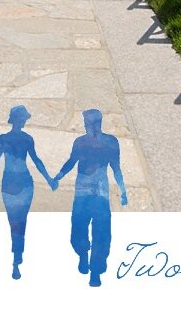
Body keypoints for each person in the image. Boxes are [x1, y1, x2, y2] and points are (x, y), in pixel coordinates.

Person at [51, 109, 126, 287]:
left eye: (86, 123)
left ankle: (95, 271)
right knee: (80, 230)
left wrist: (122, 190)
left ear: (95, 124)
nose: (85, 126)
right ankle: (84, 255)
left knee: (100, 233)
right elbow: (71, 162)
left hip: (98, 194)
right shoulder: (82, 142)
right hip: (85, 192)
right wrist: (58, 176)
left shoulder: (110, 142)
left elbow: (116, 168)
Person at [0, 105, 54, 279]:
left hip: (13, 182)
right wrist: (49, 179)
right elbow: (36, 161)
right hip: (21, 182)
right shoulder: (25, 139)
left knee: (15, 221)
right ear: (19, 119)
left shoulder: (5, 138)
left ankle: (17, 255)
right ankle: (17, 254)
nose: (25, 121)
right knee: (19, 221)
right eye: (24, 118)